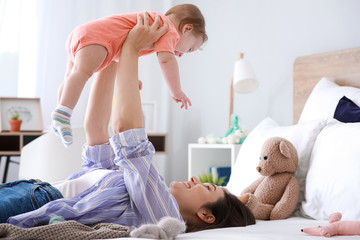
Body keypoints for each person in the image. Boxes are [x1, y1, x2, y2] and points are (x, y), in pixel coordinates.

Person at [1, 14, 255, 233]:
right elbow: (96, 130)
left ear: (206, 215)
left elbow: (127, 134)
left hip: (31, 201)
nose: (194, 179)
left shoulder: (164, 215)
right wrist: (115, 49)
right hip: (26, 190)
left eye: (207, 187)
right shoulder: (137, 188)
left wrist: (132, 48)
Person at [52, 3, 207, 147]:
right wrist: (176, 91)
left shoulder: (154, 24)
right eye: (190, 49)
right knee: (82, 72)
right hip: (96, 38)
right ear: (186, 29)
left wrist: (132, 78)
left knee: (71, 76)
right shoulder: (168, 29)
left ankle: (60, 115)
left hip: (82, 33)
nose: (181, 55)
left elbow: (124, 52)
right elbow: (167, 61)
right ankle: (63, 114)